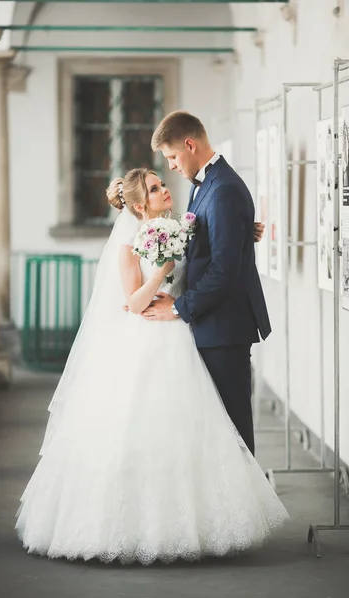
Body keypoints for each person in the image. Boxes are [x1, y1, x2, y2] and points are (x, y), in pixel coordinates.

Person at [15, 167, 288, 565]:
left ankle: (192, 522)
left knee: (187, 428)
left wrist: (247, 231)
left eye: (163, 183)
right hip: (144, 341)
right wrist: (162, 267)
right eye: (157, 188)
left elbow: (212, 250)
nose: (166, 190)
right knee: (138, 428)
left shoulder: (178, 227)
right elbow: (135, 302)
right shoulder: (128, 243)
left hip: (179, 338)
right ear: (141, 205)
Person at [142, 111, 272, 456]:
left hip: (225, 327)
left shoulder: (224, 188)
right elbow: (209, 245)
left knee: (233, 430)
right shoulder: (207, 185)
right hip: (212, 324)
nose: (170, 166)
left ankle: (249, 509)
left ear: (189, 144)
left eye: (172, 156)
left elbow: (224, 270)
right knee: (215, 431)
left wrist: (178, 308)